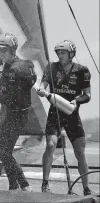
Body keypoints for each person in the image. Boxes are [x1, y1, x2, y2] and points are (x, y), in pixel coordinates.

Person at [37, 40, 94, 195]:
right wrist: (41, 89)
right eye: (58, 53)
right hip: (55, 113)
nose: (60, 55)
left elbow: (87, 95)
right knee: (50, 145)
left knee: (80, 151)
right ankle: (45, 184)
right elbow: (44, 84)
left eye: (63, 53)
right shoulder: (51, 67)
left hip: (72, 114)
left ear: (71, 54)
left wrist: (76, 100)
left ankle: (86, 188)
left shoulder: (82, 70)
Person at [0, 33, 36, 191]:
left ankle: (24, 185)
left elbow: (13, 96)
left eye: (3, 51)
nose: (0, 54)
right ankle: (13, 186)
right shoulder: (7, 66)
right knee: (4, 151)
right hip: (11, 114)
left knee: (3, 151)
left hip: (19, 116)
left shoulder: (19, 67)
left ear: (12, 50)